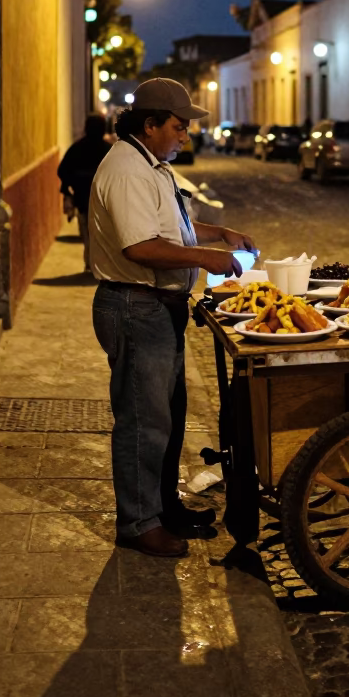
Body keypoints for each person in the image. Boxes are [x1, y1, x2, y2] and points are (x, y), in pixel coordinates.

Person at [88, 77, 257, 559]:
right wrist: (207, 259)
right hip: (134, 306)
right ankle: (139, 523)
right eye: (180, 127)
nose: (186, 136)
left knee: (169, 416)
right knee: (144, 421)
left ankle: (164, 508)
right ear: (151, 124)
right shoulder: (126, 170)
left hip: (160, 309)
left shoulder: (153, 165)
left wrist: (217, 233)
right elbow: (139, 246)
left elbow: (173, 228)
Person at [57, 114, 112, 270]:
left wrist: (70, 185)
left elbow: (62, 170)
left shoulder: (77, 148)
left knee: (87, 233)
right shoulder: (108, 150)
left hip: (83, 199)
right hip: (104, 201)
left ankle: (90, 263)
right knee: (103, 234)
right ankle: (99, 265)